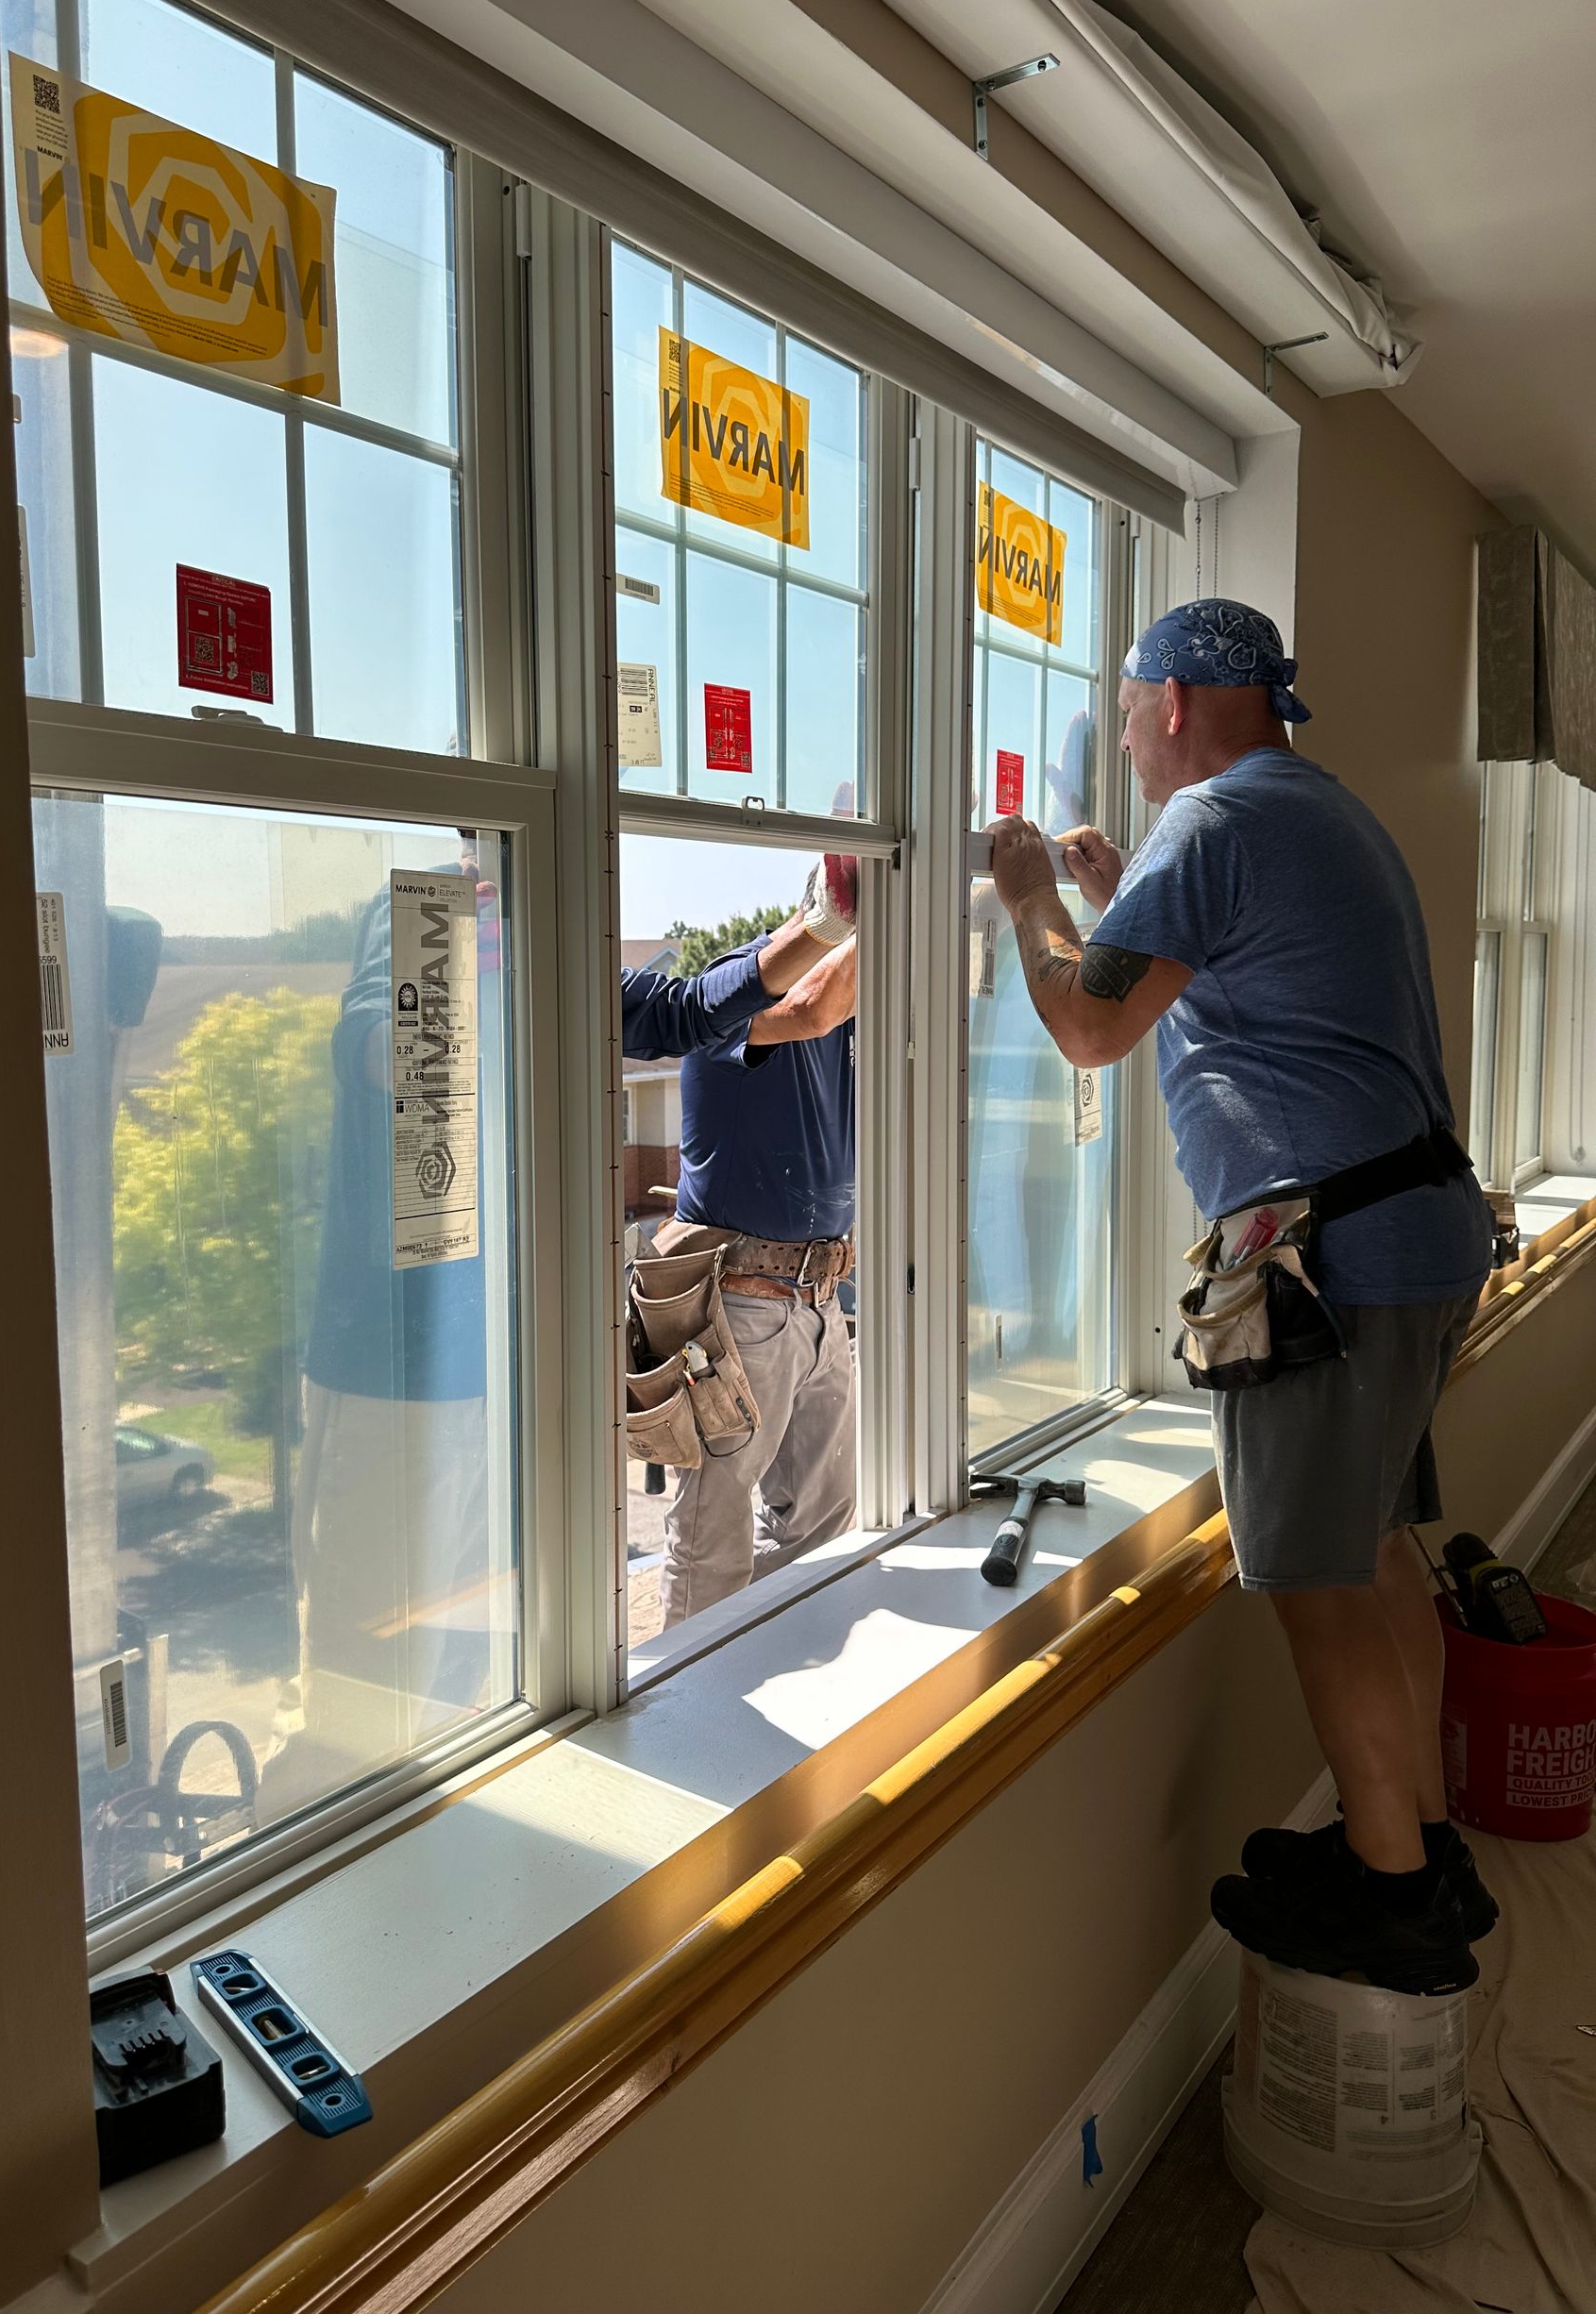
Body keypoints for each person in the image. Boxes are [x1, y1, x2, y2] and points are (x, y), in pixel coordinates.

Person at [988, 597, 1495, 1997]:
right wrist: (1113, 896)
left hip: (1329, 1262)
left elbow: (1094, 1025)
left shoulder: (1212, 826)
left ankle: (1394, 1896)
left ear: (1168, 705)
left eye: (1131, 704)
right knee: (1383, 1547)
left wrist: (1035, 898)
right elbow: (1235, 992)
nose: (1129, 732)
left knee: (1318, 1584)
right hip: (1414, 1230)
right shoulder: (1309, 807)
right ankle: (1428, 1849)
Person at [260, 847, 856, 1815]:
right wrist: (494, 980)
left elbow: (682, 1013)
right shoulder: (429, 918)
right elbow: (374, 1045)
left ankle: (462, 1825)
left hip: (515, 1354)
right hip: (390, 1362)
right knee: (357, 1662)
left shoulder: (556, 943)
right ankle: (340, 1842)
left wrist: (826, 924)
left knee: (486, 1654)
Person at [642, 877, 861, 1628]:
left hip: (821, 1302)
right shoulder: (736, 998)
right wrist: (890, 909)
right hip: (742, 1305)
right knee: (714, 1531)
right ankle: (687, 1712)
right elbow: (812, 1004)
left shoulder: (850, 1023)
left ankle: (767, 1665)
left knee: (823, 1522)